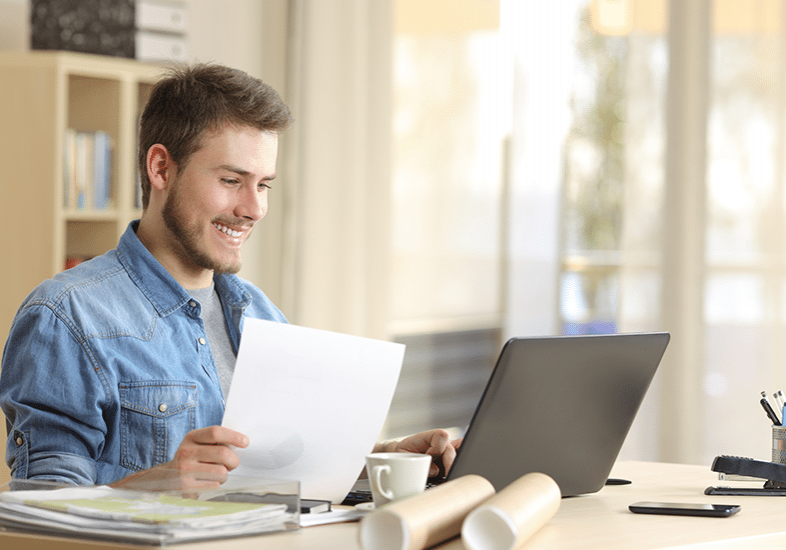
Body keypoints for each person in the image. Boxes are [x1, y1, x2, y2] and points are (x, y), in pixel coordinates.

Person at [0, 63, 459, 488]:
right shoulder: (66, 316)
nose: (254, 209)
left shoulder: (260, 313)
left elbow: (282, 466)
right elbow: (42, 511)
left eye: (263, 185)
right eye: (231, 180)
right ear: (161, 168)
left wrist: (387, 457)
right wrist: (160, 484)